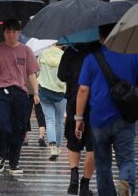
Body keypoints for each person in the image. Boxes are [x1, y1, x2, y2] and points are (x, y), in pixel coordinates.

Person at [75, 24, 138, 196]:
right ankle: (126, 183)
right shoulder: (133, 56)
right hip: (125, 116)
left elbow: (83, 90)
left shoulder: (91, 59)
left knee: (102, 163)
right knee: (126, 159)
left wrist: (78, 118)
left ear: (100, 36)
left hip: (98, 119)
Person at [0, 19, 39, 175]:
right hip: (1, 91)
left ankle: (14, 162)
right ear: (4, 32)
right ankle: (1, 155)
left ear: (19, 32)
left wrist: (36, 92)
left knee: (19, 128)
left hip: (20, 93)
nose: (11, 35)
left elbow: (31, 73)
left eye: (14, 32)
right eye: (8, 31)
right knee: (1, 125)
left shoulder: (26, 50)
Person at [58, 42, 100, 196]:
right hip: (96, 102)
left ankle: (73, 180)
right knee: (92, 145)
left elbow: (61, 75)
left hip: (74, 99)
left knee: (73, 140)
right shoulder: (99, 50)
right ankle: (85, 184)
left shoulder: (71, 50)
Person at [37, 44, 67, 161]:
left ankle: (53, 146)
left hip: (45, 91)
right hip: (61, 92)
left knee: (49, 120)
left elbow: (37, 71)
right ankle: (58, 147)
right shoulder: (64, 56)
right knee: (59, 121)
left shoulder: (43, 53)